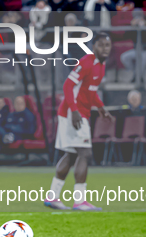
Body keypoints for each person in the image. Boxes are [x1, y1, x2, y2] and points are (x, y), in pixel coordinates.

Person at [46, 32, 114, 211]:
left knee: (71, 154)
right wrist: (75, 111)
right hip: (73, 113)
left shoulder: (101, 65)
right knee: (85, 153)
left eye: (107, 45)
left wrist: (100, 107)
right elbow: (67, 86)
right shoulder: (86, 62)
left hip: (78, 112)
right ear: (94, 46)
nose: (105, 49)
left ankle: (52, 196)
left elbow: (90, 92)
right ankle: (79, 201)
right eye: (101, 45)